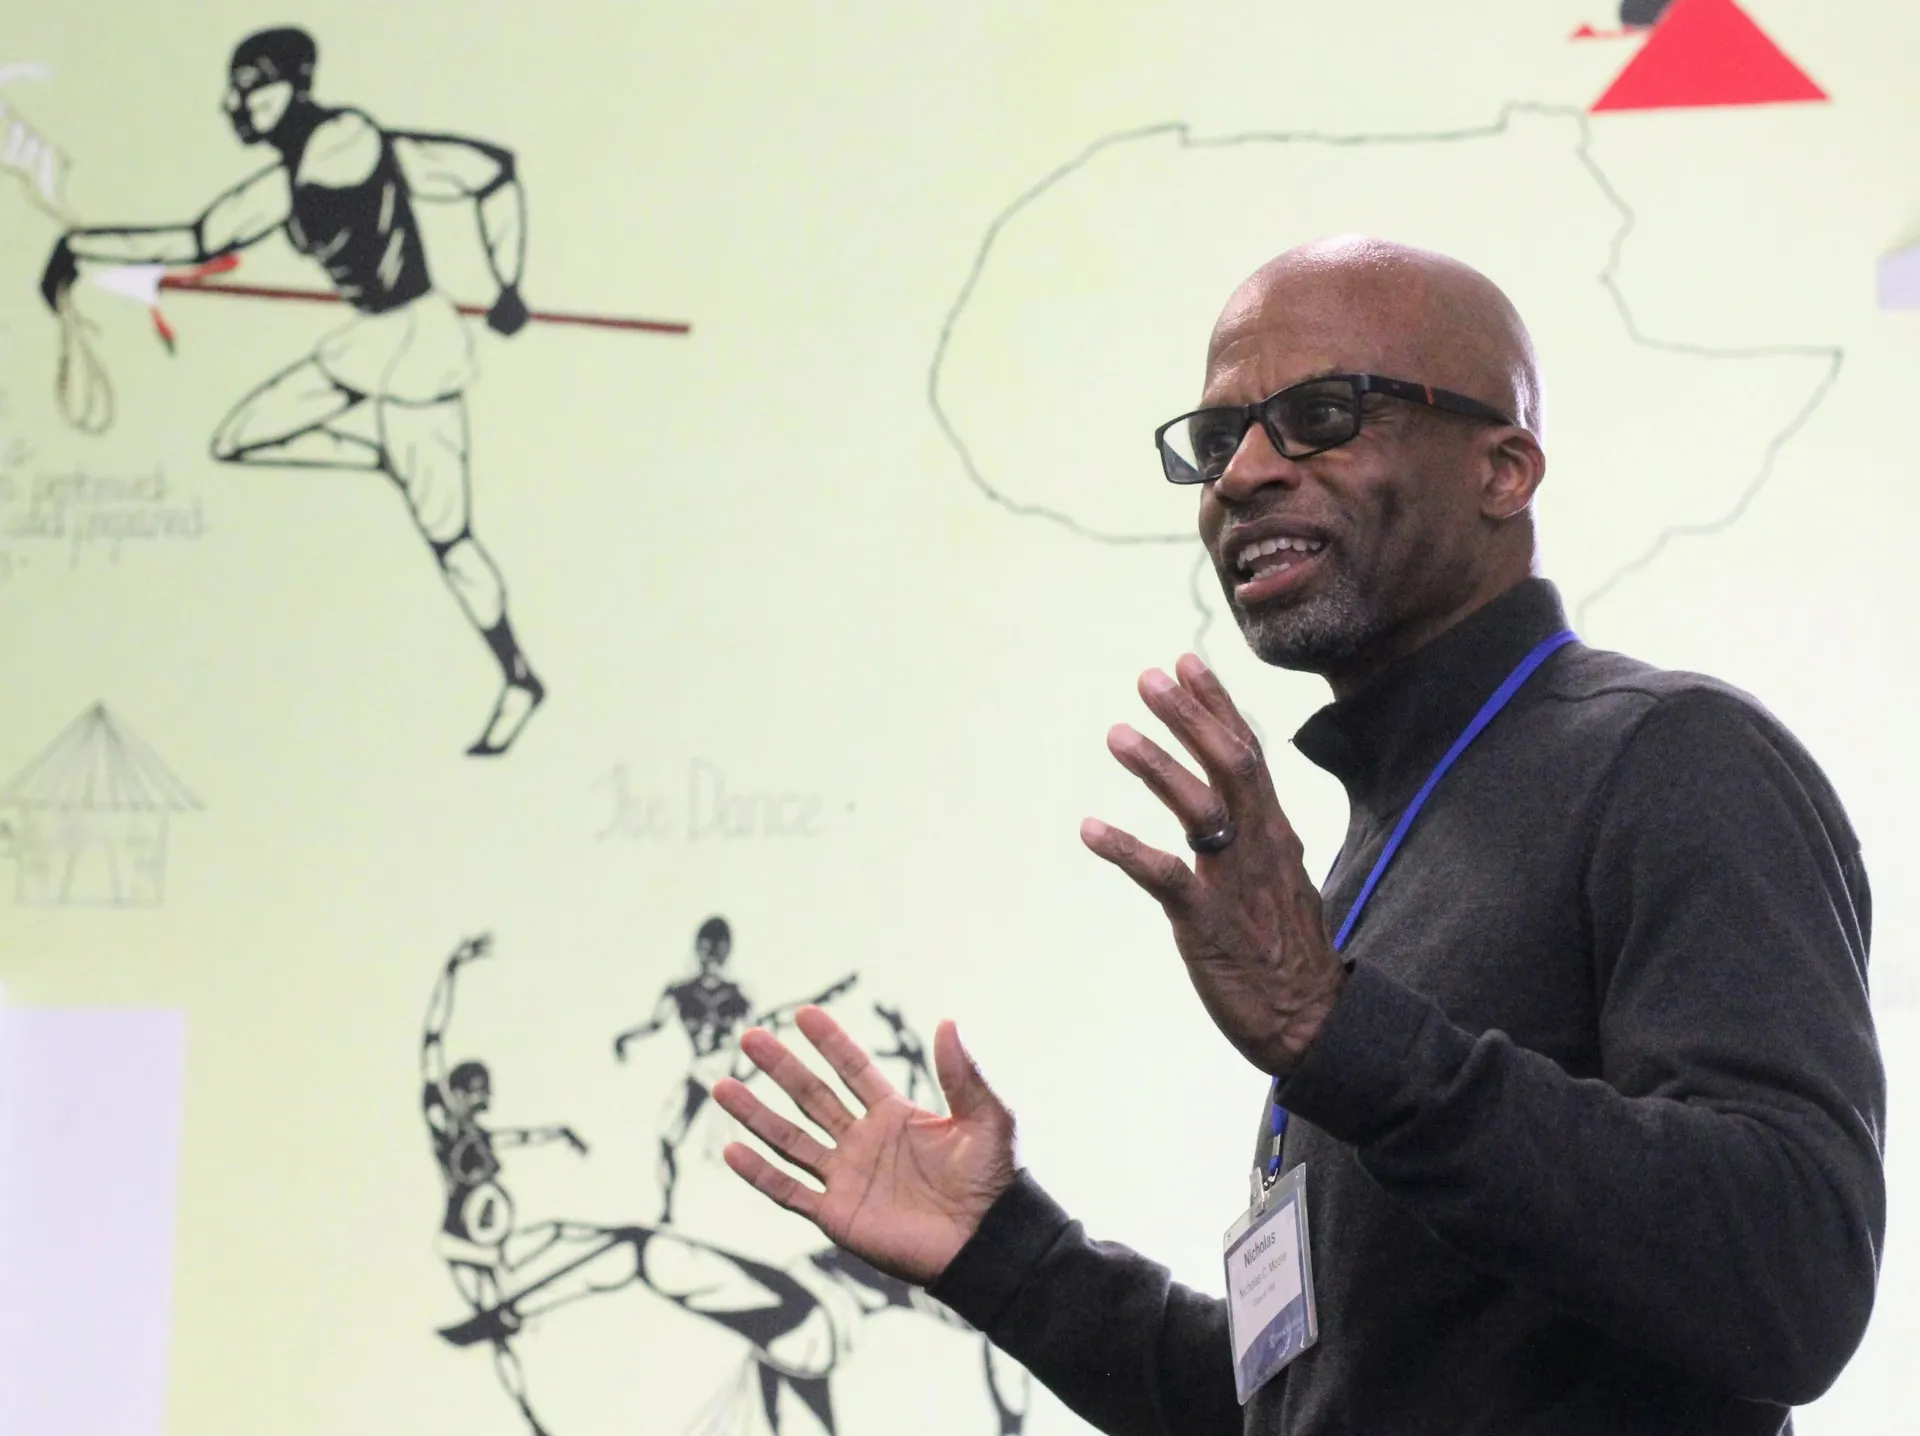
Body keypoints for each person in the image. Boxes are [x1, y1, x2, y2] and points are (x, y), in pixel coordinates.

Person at [707, 237, 1885, 1435]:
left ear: (1503, 468)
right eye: (1218, 439)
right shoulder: (1390, 838)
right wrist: (1006, 1253)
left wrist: (1341, 1031)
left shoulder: (1671, 758)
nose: (1244, 474)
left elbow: (1795, 1280)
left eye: (1322, 416)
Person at [37, 25, 544, 756]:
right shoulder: (284, 181)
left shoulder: (348, 142)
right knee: (239, 438)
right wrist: (79, 249)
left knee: (451, 542)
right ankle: (380, 459)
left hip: (417, 347)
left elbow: (492, 172)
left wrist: (509, 284)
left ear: (289, 88)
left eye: (248, 89)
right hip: (367, 343)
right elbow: (195, 240)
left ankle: (518, 678)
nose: (232, 105)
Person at [613, 915, 854, 1222]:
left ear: (726, 952)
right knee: (668, 1138)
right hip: (702, 1071)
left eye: (718, 949)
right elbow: (656, 1023)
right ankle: (668, 1211)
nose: (712, 956)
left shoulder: (738, 993)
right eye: (707, 948)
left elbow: (757, 1032)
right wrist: (624, 1038)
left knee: (731, 1150)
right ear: (698, 949)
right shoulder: (680, 991)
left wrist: (749, 1070)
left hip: (725, 1070)